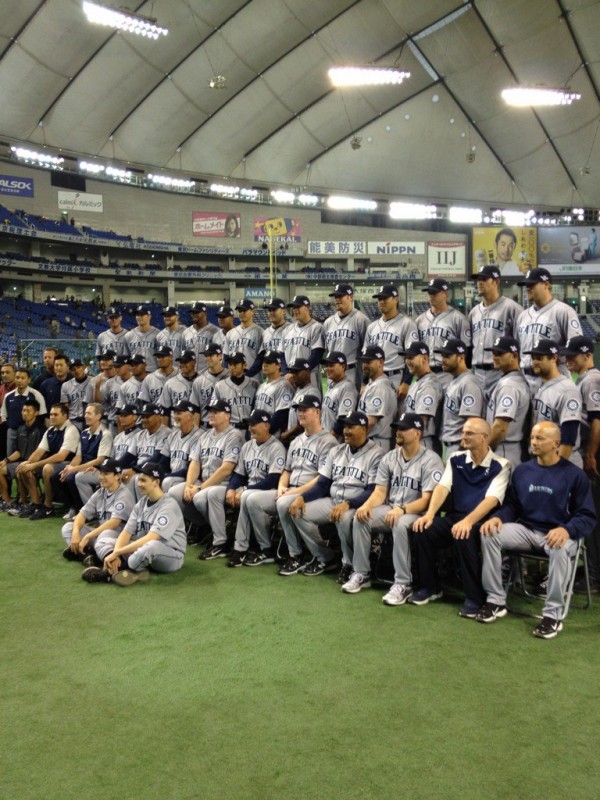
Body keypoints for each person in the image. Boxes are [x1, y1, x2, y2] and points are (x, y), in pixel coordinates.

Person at [477, 421, 595, 638]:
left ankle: (552, 616)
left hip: (560, 535)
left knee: (560, 547)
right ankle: (495, 600)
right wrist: (497, 518)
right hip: (527, 531)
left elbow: (587, 516)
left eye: (540, 438)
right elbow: (512, 506)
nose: (533, 442)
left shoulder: (575, 476)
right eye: (532, 437)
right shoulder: (523, 470)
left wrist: (567, 530)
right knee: (489, 533)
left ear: (556, 444)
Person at [411, 418, 511, 618]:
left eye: (469, 433)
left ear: (484, 438)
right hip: (456, 516)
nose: (463, 436)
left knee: (463, 534)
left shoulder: (502, 465)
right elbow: (442, 487)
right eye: (463, 432)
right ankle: (430, 587)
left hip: (482, 521)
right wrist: (430, 515)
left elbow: (491, 500)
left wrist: (468, 522)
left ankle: (474, 598)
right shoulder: (455, 459)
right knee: (423, 529)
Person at [344, 412, 444, 599]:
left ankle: (403, 583)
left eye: (404, 429)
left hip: (418, 512)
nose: (398, 432)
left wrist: (402, 510)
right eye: (398, 428)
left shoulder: (432, 460)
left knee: (400, 524)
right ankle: (361, 573)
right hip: (393, 508)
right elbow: (380, 492)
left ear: (417, 433)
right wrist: (366, 506)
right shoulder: (390, 457)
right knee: (361, 518)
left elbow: (427, 499)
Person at [242, 394, 337, 573]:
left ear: (317, 412)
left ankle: (299, 555)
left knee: (284, 502)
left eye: (304, 410)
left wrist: (293, 493)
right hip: (290, 490)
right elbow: (286, 470)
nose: (300, 413)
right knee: (252, 500)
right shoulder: (295, 441)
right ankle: (267, 549)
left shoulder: (328, 442)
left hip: (314, 494)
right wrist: (281, 487)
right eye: (298, 410)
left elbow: (322, 479)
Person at [286, 411, 382, 578]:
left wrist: (348, 504)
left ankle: (349, 564)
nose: (346, 431)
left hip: (356, 503)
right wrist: (302, 497)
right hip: (333, 501)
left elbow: (372, 491)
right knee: (298, 511)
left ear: (364, 429)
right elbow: (322, 484)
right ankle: (325, 556)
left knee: (343, 518)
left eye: (351, 427)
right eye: (345, 426)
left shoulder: (377, 453)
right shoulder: (336, 451)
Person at [81, 463, 187, 586]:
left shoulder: (169, 506)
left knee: (151, 546)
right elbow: (126, 532)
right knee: (105, 539)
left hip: (170, 555)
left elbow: (151, 538)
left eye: (143, 480)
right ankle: (120, 565)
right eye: (138, 480)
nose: (138, 484)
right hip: (142, 550)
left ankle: (111, 574)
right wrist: (116, 553)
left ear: (156, 482)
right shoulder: (141, 503)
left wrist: (118, 552)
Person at [170, 399, 244, 555]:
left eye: (216, 412)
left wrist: (199, 488)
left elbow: (226, 469)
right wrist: (189, 485)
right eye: (211, 411)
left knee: (201, 497)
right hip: (204, 482)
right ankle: (204, 527)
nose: (212, 414)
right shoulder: (205, 435)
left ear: (227, 416)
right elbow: (195, 463)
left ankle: (221, 541)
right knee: (174, 493)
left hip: (226, 484)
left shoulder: (234, 435)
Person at [223, 410, 287, 567]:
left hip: (272, 492)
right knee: (245, 496)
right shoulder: (247, 446)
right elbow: (238, 474)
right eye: (249, 425)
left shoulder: (276, 447)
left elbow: (273, 479)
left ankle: (242, 548)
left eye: (254, 424)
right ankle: (255, 547)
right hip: (252, 491)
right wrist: (231, 488)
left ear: (266, 425)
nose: (250, 428)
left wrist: (245, 489)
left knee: (247, 497)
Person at [563, 336, 600, 593]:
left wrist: (590, 454)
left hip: (594, 454)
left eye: (573, 355)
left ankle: (594, 577)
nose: (568, 360)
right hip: (592, 451)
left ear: (587, 355)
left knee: (592, 516)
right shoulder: (585, 379)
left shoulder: (592, 379)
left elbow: (597, 422)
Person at [515, 267, 582, 391]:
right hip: (526, 381)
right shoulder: (522, 317)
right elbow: (518, 350)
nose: (527, 288)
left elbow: (575, 347)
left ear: (546, 285)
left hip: (554, 379)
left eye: (532, 284)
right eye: (526, 285)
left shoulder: (563, 311)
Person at [61, 458, 134, 566]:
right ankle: (87, 556)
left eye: (106, 474)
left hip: (118, 538)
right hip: (100, 535)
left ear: (117, 476)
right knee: (68, 527)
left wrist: (88, 536)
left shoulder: (123, 495)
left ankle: (99, 557)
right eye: (101, 473)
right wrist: (76, 532)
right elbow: (82, 514)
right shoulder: (100, 492)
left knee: (104, 533)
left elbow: (114, 523)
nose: (101, 477)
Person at [15, 402, 80, 520]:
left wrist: (35, 464)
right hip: (54, 462)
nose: (52, 417)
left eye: (55, 414)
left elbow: (62, 456)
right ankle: (36, 504)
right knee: (24, 468)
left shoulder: (71, 430)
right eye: (50, 415)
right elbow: (39, 451)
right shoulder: (50, 430)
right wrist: (28, 463)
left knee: (47, 468)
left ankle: (48, 506)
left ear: (65, 416)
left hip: (69, 464)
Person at [525, 339, 582, 465]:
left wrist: (557, 469)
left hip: (562, 460)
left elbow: (568, 437)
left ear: (554, 358)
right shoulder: (541, 384)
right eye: (533, 358)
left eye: (540, 358)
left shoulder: (567, 390)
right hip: (543, 460)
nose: (534, 362)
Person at [469, 265, 522, 398]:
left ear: (496, 282)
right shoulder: (474, 312)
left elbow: (521, 343)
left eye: (484, 279)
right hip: (478, 374)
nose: (479, 283)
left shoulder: (512, 308)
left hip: (501, 373)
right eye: (478, 279)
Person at [57, 402, 113, 518]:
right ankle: (75, 507)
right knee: (61, 475)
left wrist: (74, 469)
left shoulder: (105, 434)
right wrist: (68, 468)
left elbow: (100, 460)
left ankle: (91, 513)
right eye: (85, 413)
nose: (86, 416)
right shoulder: (84, 433)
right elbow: (78, 457)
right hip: (84, 468)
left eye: (89, 413)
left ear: (98, 416)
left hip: (98, 469)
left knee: (75, 477)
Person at [416, 279, 472, 390]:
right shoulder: (420, 320)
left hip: (449, 374)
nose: (431, 296)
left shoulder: (458, 319)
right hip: (426, 373)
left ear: (445, 293)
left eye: (435, 292)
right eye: (429, 292)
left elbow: (467, 350)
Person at [363, 284, 418, 398]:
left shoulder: (407, 324)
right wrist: (364, 382)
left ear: (396, 299)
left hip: (395, 377)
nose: (381, 301)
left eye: (385, 298)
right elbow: (365, 358)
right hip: (373, 378)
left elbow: (411, 356)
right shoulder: (372, 327)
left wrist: (406, 382)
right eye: (379, 299)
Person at [484, 336, 531, 464]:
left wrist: (483, 450)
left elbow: (500, 427)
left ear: (514, 355)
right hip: (511, 448)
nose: (494, 357)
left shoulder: (509, 385)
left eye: (499, 353)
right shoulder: (513, 379)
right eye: (494, 353)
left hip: (505, 449)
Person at [436, 339, 484, 459]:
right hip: (449, 447)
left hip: (460, 448)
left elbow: (472, 421)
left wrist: (464, 450)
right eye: (442, 356)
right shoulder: (454, 380)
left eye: (447, 356)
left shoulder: (469, 383)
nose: (443, 360)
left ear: (461, 357)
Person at [0, 399, 45, 513]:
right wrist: (6, 460)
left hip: (37, 464)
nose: (25, 413)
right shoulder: (20, 428)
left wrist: (30, 463)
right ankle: (7, 501)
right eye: (23, 410)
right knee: (0, 468)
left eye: (28, 411)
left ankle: (23, 502)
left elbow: (42, 453)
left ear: (36, 413)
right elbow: (18, 452)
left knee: (22, 469)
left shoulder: (41, 429)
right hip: (21, 462)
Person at [322, 284, 369, 388]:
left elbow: (368, 354)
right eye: (335, 297)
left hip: (352, 372)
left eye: (340, 296)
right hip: (332, 373)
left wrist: (364, 382)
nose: (337, 300)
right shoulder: (328, 323)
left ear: (350, 297)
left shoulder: (361, 320)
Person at [403, 342, 443, 454]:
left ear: (424, 358)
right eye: (406, 358)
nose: (407, 361)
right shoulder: (418, 381)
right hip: (417, 441)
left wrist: (408, 442)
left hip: (424, 443)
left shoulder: (429, 385)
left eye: (411, 357)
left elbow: (421, 422)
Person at [357, 345, 397, 448]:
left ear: (380, 362)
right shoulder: (374, 383)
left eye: (369, 362)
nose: (365, 365)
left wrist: (356, 439)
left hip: (376, 442)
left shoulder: (380, 387)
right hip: (373, 440)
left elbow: (371, 421)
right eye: (364, 362)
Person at [1, 368, 46, 456]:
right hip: (12, 432)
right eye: (17, 378)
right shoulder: (8, 396)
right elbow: (4, 416)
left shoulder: (36, 395)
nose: (19, 380)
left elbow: (42, 415)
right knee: (10, 457)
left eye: (23, 378)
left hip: (31, 433)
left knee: (28, 457)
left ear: (29, 379)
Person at [282, 295, 324, 389]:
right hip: (289, 379)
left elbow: (316, 355)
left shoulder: (316, 328)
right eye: (294, 307)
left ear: (308, 308)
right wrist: (286, 373)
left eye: (298, 307)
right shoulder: (287, 330)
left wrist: (296, 373)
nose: (295, 310)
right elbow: (282, 355)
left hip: (309, 377)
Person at [209, 352, 259, 430]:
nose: (232, 367)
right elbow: (213, 410)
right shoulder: (220, 386)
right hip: (229, 429)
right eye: (230, 364)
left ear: (244, 365)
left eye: (235, 364)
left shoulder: (254, 384)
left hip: (250, 429)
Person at [253, 351, 293, 436]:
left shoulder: (283, 385)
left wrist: (265, 432)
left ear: (278, 365)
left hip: (273, 436)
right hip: (260, 435)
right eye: (263, 361)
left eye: (269, 362)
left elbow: (282, 414)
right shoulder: (261, 386)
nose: (264, 364)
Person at [190, 343, 229, 426]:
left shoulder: (230, 377)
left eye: (211, 355)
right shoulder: (199, 381)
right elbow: (196, 410)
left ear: (220, 356)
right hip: (205, 427)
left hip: (226, 427)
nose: (207, 358)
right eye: (206, 355)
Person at [321, 352, 358, 437]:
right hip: (325, 437)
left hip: (336, 442)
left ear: (343, 366)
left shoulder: (347, 387)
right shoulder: (332, 385)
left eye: (331, 365)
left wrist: (330, 439)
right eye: (326, 366)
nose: (327, 368)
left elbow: (344, 419)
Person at [226, 299, 263, 376]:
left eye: (244, 310)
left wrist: (247, 375)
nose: (241, 313)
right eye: (240, 311)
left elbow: (261, 358)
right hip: (232, 376)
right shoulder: (230, 333)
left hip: (253, 377)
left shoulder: (261, 332)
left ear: (253, 312)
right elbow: (225, 357)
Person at [182, 302, 218, 373]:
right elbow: (183, 354)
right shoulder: (186, 332)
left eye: (197, 312)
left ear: (205, 313)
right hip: (190, 374)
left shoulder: (215, 331)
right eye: (192, 312)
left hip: (209, 374)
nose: (193, 315)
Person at [123, 305, 160, 372]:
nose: (139, 317)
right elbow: (126, 358)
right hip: (135, 373)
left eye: (142, 315)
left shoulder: (158, 335)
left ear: (149, 316)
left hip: (153, 372)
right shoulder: (128, 335)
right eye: (137, 315)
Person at [260, 299, 292, 371]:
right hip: (271, 375)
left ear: (283, 311)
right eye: (269, 310)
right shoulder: (265, 333)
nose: (271, 313)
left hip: (288, 374)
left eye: (274, 310)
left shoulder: (292, 330)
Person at [60, 360, 92, 430]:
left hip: (90, 421)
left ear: (83, 367)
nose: (76, 370)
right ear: (70, 371)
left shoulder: (93, 382)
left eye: (78, 367)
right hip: (73, 422)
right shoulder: (66, 385)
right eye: (73, 369)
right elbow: (65, 407)